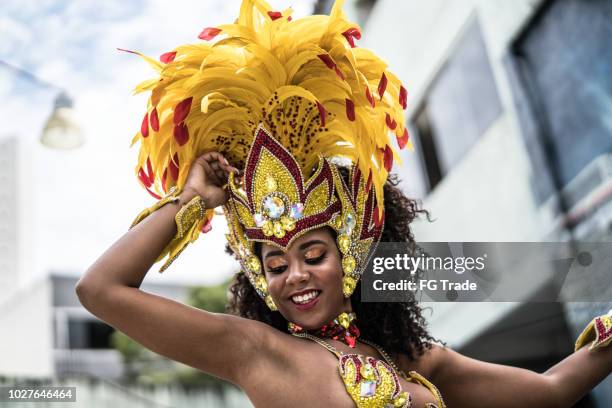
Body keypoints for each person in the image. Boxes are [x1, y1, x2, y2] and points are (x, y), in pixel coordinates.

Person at [76, 1, 612, 407]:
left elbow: (553, 391)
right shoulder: (253, 350)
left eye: (313, 254)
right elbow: (100, 291)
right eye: (276, 264)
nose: (296, 276)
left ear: (349, 254)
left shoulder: (412, 360)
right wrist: (191, 201)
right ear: (260, 279)